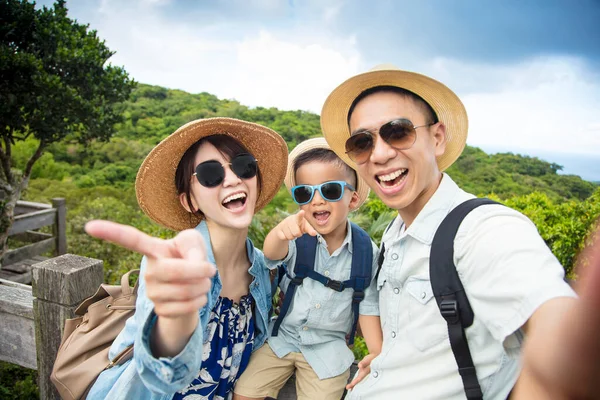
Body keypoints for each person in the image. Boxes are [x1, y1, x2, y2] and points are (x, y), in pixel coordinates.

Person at [319, 65, 582, 399]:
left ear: (437, 137)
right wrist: (390, 362)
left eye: (398, 132)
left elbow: (565, 340)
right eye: (362, 142)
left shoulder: (482, 229)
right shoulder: (395, 233)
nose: (380, 153)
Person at [84, 117, 289, 400]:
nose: (232, 179)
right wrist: (174, 323)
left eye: (244, 165)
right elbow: (158, 374)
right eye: (209, 174)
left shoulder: (262, 269)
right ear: (189, 201)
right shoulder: (178, 267)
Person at [233, 137, 382, 400]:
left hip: (329, 348)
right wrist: (280, 234)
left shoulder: (365, 251)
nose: (317, 200)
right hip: (282, 338)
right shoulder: (296, 235)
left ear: (354, 199)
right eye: (305, 193)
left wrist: (376, 352)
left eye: (331, 191)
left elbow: (368, 303)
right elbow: (271, 256)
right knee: (245, 392)